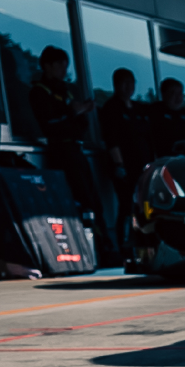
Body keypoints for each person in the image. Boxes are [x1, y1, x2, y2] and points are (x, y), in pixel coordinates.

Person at [27, 45, 117, 256]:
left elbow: (81, 124)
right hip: (61, 151)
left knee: (94, 200)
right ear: (47, 66)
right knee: (79, 200)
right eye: (59, 65)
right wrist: (72, 112)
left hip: (77, 149)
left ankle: (103, 245)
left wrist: (79, 112)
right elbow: (49, 124)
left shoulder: (65, 91)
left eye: (65, 66)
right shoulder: (40, 92)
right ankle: (85, 248)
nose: (63, 70)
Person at [97, 68, 152, 250]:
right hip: (124, 167)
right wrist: (119, 164)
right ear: (116, 85)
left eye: (131, 82)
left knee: (145, 205)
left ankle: (145, 242)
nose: (129, 87)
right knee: (127, 206)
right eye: (124, 83)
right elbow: (111, 139)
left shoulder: (139, 109)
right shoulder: (111, 108)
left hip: (142, 166)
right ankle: (124, 245)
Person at [151, 78, 185, 157]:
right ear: (164, 94)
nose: (177, 97)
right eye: (173, 93)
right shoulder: (154, 113)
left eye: (180, 93)